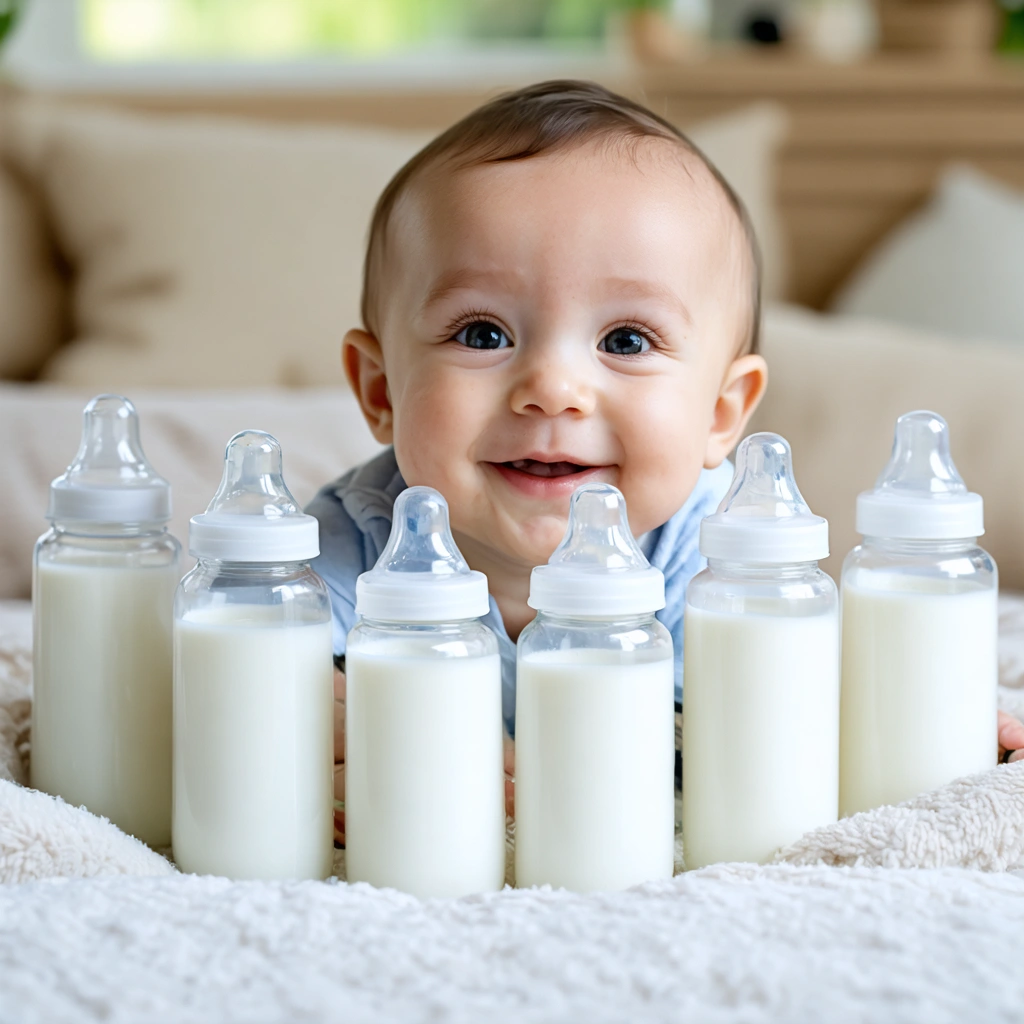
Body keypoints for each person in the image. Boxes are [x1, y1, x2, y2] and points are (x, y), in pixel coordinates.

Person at [307, 80, 1024, 844]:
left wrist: (920, 720)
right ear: (381, 390)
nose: (553, 389)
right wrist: (319, 718)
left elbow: (829, 687)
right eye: (484, 334)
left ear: (720, 413)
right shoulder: (354, 545)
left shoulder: (721, 560)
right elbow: (242, 676)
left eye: (625, 341)